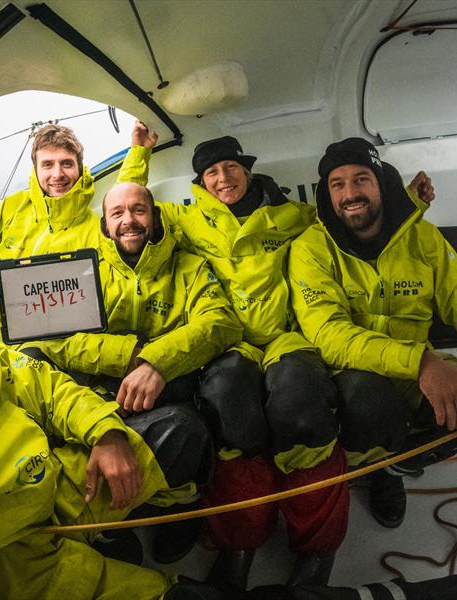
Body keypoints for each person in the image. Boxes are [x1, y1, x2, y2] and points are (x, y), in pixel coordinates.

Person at [0, 224, 457, 600]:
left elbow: (45, 383)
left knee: (192, 427)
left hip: (70, 492)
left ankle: (157, 526)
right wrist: (134, 353)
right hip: (11, 557)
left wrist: (104, 431)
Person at [119, 123, 430, 586]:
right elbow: (131, 206)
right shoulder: (185, 219)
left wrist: (411, 203)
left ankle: (317, 547)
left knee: (301, 408)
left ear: (246, 171)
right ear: (201, 183)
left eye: (231, 168)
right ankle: (240, 540)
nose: (223, 178)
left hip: (289, 336)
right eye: (211, 173)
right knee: (228, 407)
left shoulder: (292, 215)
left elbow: (352, 220)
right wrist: (137, 152)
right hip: (227, 342)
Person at [288, 137, 457, 529]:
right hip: (349, 374)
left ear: (382, 183)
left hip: (412, 369)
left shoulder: (424, 239)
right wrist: (420, 362)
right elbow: (328, 333)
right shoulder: (311, 249)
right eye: (337, 184)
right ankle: (362, 470)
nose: (350, 194)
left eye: (361, 179)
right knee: (370, 401)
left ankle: (391, 470)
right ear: (326, 195)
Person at [27, 181, 244, 563]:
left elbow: (221, 322)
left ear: (155, 216)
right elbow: (50, 339)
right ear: (105, 225)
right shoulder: (81, 271)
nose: (129, 220)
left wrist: (157, 363)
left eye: (139, 210)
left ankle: (174, 502)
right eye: (118, 213)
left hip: (166, 392)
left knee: (188, 422)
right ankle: (108, 515)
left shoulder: (189, 267)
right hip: (100, 392)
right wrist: (127, 354)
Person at [0, 123, 143, 338]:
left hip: (70, 339)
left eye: (66, 163)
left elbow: (129, 199)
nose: (57, 174)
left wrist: (139, 151)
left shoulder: (97, 227)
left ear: (79, 168)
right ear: (36, 169)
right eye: (47, 164)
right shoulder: (12, 207)